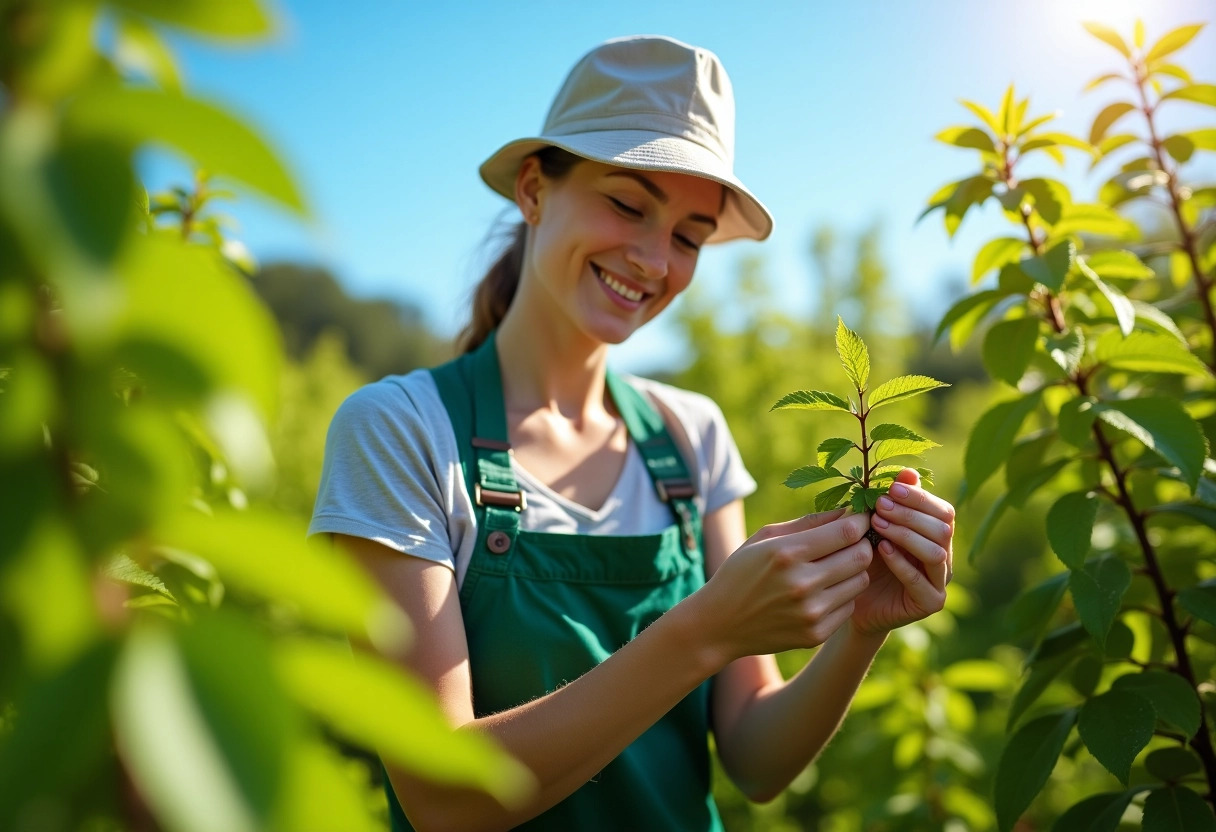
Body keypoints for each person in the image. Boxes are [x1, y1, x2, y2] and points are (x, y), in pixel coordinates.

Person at [308, 35, 955, 832]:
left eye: (689, 235)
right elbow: (443, 800)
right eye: (626, 204)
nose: (654, 259)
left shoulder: (692, 437)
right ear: (535, 189)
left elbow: (754, 760)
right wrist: (706, 627)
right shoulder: (400, 433)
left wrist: (861, 631)